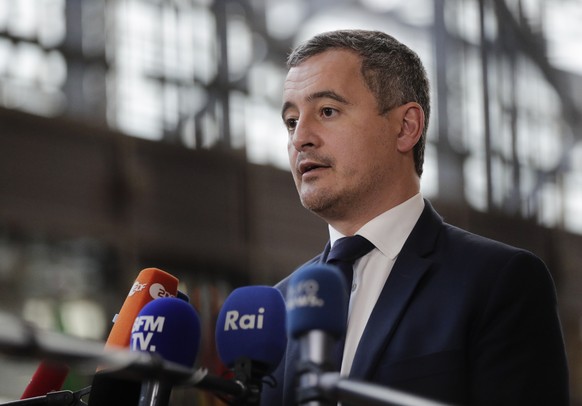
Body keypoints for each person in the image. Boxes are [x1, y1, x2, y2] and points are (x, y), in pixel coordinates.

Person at [260, 29, 569, 406]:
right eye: (291, 121)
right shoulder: (276, 307)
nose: (300, 138)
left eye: (327, 111)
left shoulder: (499, 282)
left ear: (406, 127)